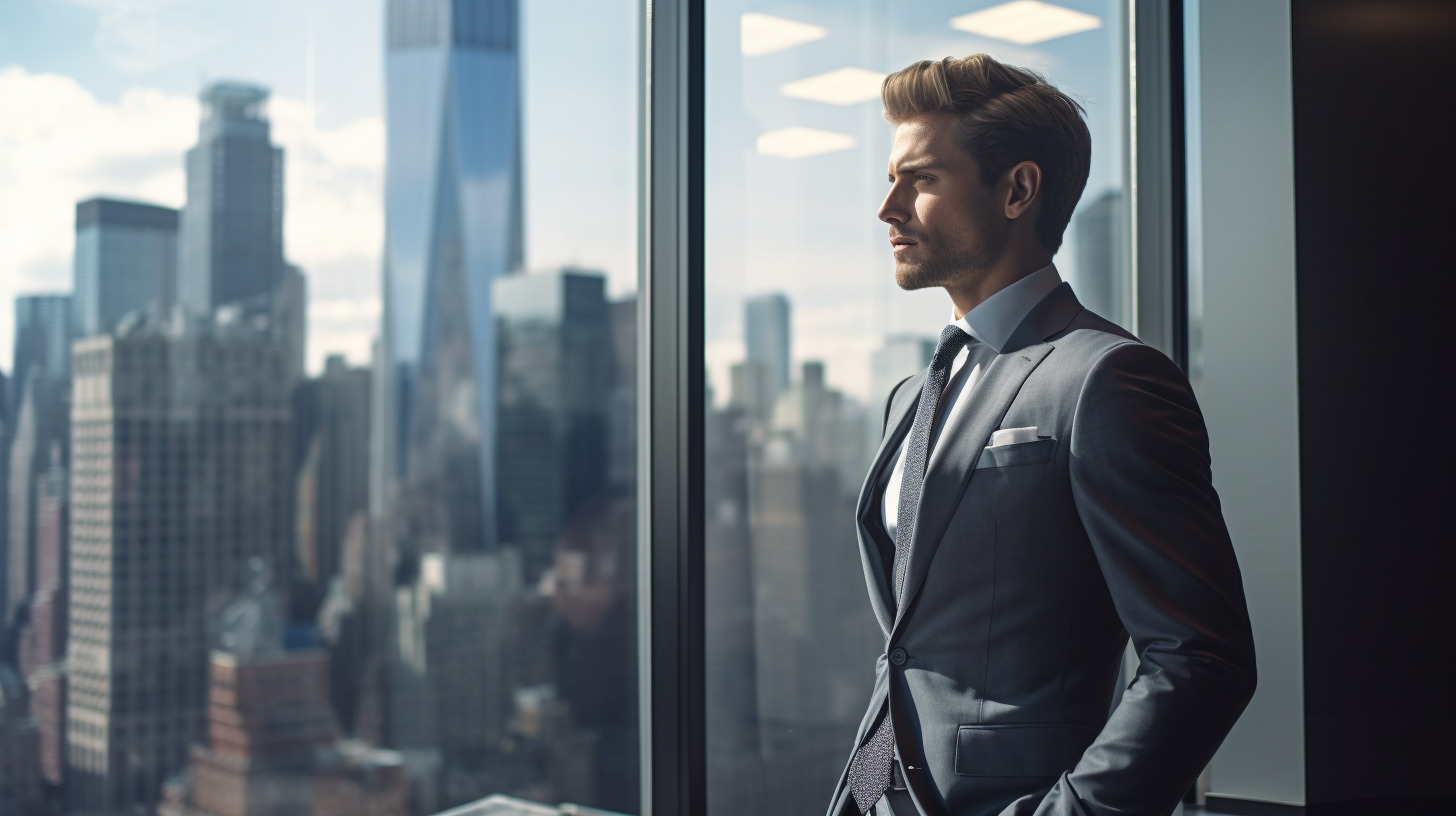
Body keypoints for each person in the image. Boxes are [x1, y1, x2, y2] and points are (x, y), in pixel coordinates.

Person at [826, 54, 1257, 816]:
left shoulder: (1108, 378)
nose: (888, 208)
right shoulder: (907, 399)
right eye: (892, 178)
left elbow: (1200, 658)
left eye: (921, 179)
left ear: (1018, 189)